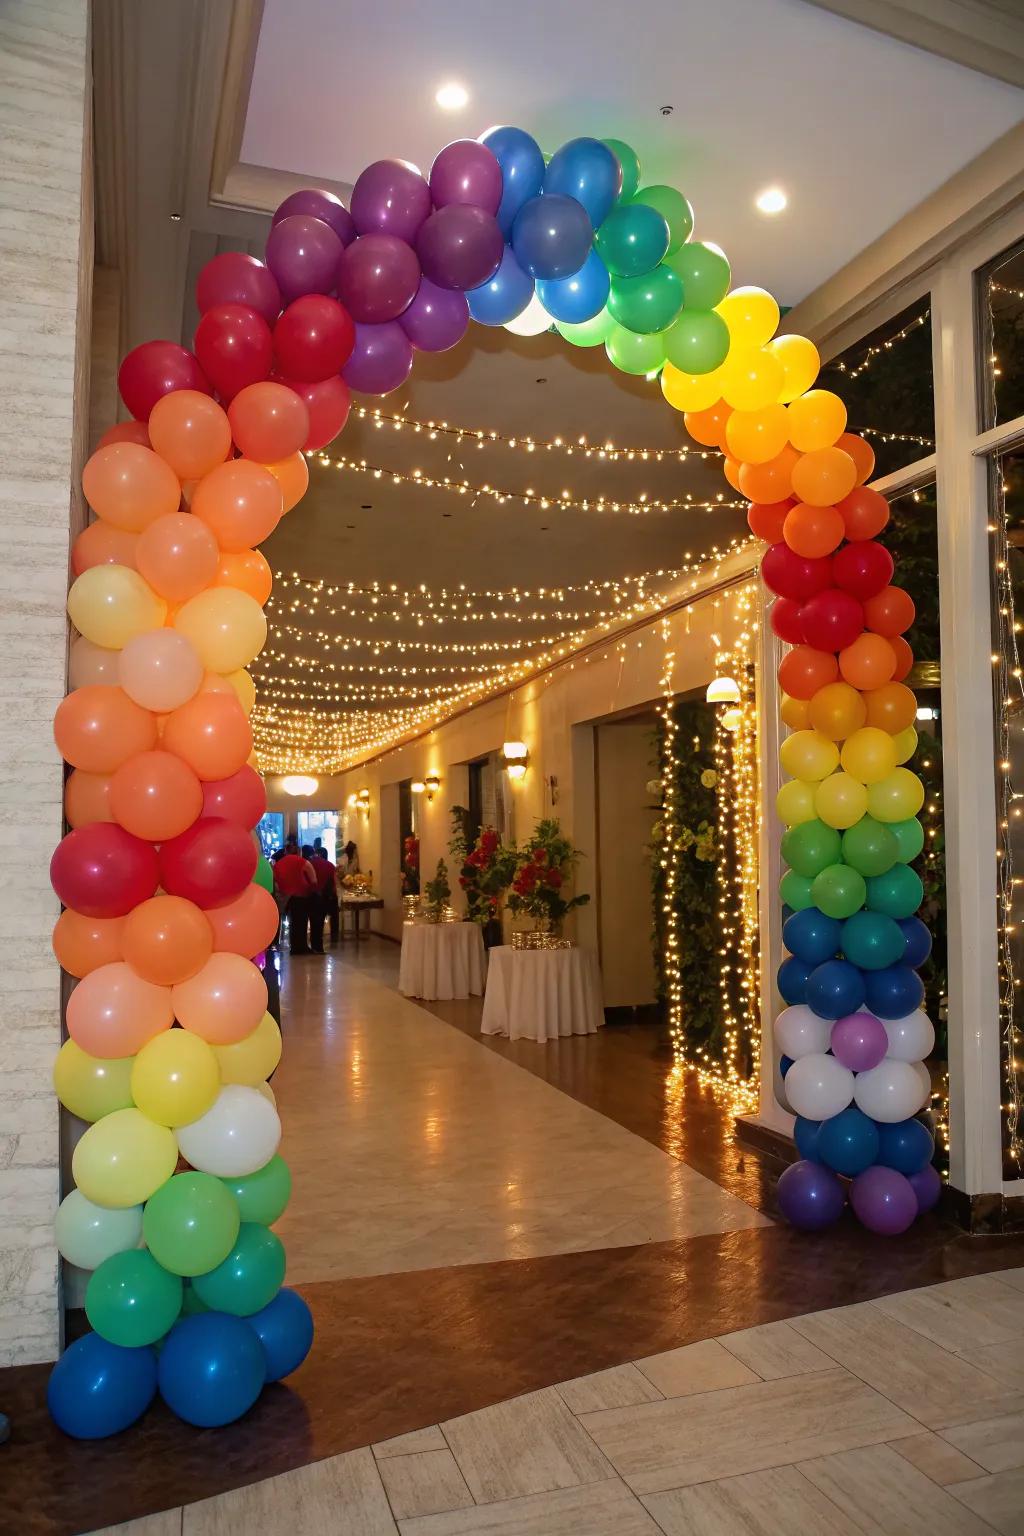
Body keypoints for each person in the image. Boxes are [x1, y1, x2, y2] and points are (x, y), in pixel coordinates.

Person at [273, 839, 318, 955]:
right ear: (298, 852)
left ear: (285, 852)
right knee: (301, 923)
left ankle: (286, 945)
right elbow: (313, 879)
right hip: (301, 895)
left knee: (288, 922)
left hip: (285, 897)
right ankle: (301, 947)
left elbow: (275, 881)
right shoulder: (302, 861)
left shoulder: (278, 864)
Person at [314, 847, 339, 945]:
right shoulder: (330, 865)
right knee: (334, 918)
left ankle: (318, 940)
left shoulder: (313, 864)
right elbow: (334, 881)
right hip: (329, 895)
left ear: (319, 854)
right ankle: (334, 938)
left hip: (317, 896)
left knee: (318, 920)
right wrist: (335, 895)